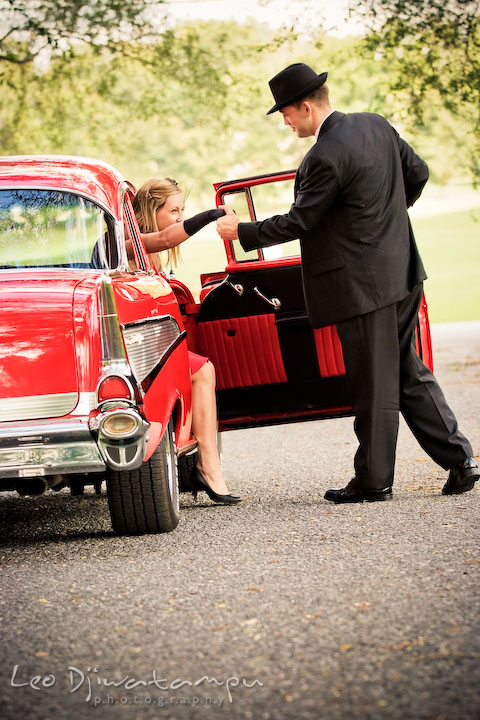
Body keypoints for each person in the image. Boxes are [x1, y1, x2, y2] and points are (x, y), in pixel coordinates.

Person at [216, 62, 479, 503]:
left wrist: (242, 232)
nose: (284, 120)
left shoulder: (322, 157)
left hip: (362, 288)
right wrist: (388, 222)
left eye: (285, 112)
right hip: (403, 269)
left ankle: (375, 481)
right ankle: (461, 460)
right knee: (405, 369)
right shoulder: (376, 126)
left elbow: (300, 221)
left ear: (305, 107)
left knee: (373, 383)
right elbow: (419, 173)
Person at [131, 176, 240, 505]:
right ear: (152, 209)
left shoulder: (140, 246)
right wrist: (209, 216)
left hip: (146, 342)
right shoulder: (127, 238)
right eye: (174, 210)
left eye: (183, 210)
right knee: (202, 370)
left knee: (203, 368)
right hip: (130, 348)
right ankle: (207, 466)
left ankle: (204, 461)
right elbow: (165, 237)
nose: (179, 217)